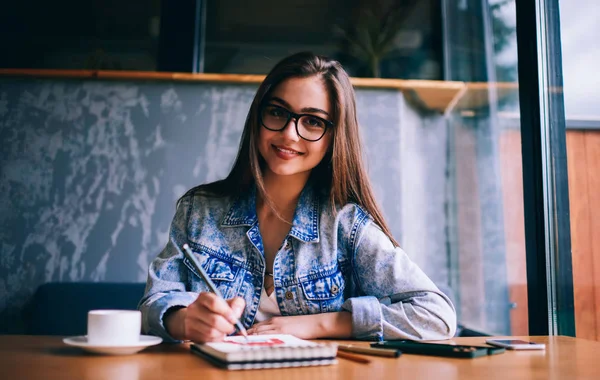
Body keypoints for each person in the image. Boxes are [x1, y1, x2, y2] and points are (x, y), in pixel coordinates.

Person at [139, 52, 457, 343]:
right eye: (278, 112)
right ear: (258, 117)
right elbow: (153, 304)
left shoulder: (346, 226)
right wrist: (182, 321)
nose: (289, 134)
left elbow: (437, 316)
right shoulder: (199, 210)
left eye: (313, 121)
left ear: (334, 137)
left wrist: (322, 324)